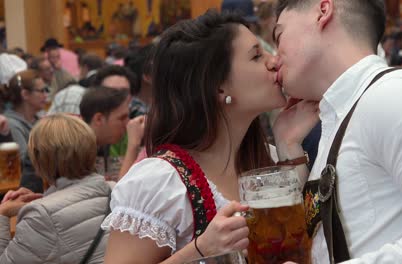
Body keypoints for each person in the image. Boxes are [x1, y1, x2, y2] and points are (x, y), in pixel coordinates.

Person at [101, 10, 318, 263]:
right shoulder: (160, 182)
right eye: (257, 56)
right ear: (218, 86)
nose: (274, 61)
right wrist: (201, 248)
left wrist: (287, 143)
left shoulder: (268, 155)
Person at [274, 0, 402, 263]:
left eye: (279, 35)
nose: (274, 59)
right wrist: (288, 144)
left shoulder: (394, 93)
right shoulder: (350, 109)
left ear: (322, 11)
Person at [0, 114, 113, 263]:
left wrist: (2, 213)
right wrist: (47, 198)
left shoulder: (41, 215)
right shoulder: (116, 189)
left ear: (39, 161)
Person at [2, 70, 47, 193]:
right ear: (25, 94)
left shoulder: (39, 119)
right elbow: (24, 165)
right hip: (25, 190)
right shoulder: (11, 124)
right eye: (41, 91)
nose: (46, 95)